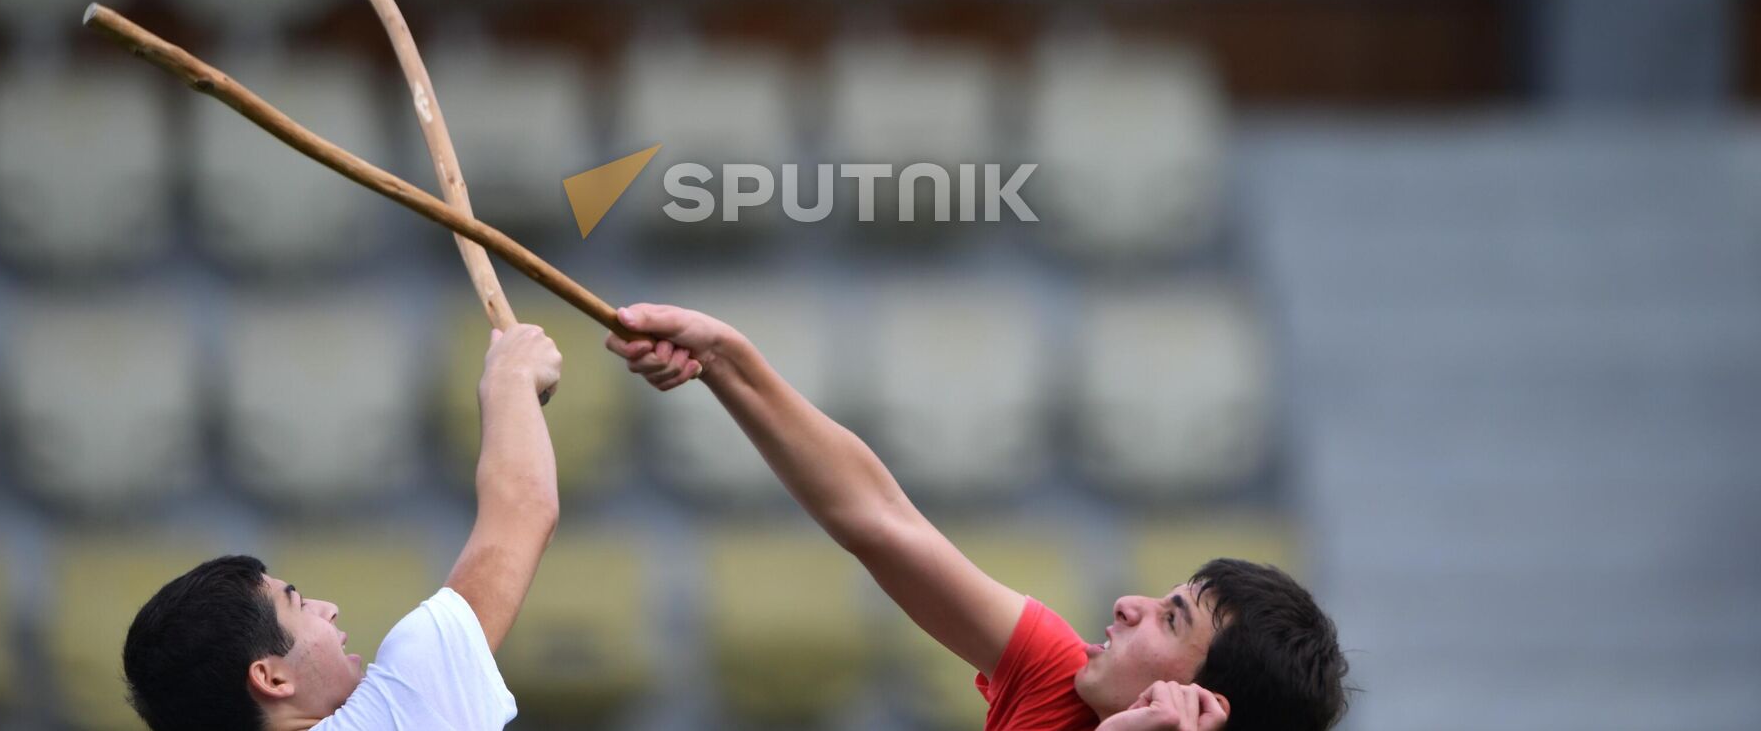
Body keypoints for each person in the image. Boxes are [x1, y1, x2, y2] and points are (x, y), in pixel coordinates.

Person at [607, 304, 1349, 731]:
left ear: (1202, 706)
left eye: (1171, 619)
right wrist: (728, 358)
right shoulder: (1061, 676)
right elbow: (879, 518)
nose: (1127, 602)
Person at [122, 323, 564, 731]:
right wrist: (511, 373)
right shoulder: (399, 709)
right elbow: (524, 506)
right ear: (272, 677)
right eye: (296, 603)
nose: (328, 607)